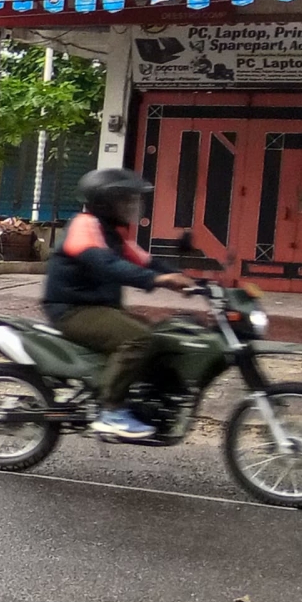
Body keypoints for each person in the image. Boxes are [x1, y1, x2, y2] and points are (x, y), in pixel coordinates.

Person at [45, 166, 194, 441]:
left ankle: (141, 399)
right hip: (73, 309)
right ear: (105, 202)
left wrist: (191, 281)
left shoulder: (110, 232)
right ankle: (110, 411)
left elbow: (145, 260)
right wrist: (160, 280)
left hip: (98, 307)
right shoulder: (84, 226)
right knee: (137, 339)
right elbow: (109, 266)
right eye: (126, 199)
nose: (132, 205)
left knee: (162, 336)